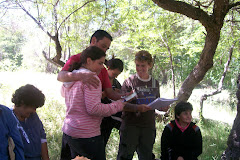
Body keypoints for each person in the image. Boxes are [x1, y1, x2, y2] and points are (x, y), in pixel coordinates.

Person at [61, 46, 150, 160]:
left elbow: (64, 94)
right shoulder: (92, 78)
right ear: (89, 61)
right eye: (100, 63)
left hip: (69, 130)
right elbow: (94, 109)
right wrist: (119, 105)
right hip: (86, 134)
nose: (102, 67)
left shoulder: (71, 76)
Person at [117, 50, 169, 160]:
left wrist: (162, 107)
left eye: (143, 66)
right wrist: (138, 108)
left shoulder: (155, 83)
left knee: (146, 156)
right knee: (125, 156)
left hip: (148, 126)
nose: (140, 68)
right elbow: (122, 104)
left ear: (150, 65)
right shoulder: (129, 82)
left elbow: (156, 102)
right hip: (130, 126)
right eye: (137, 65)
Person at [57, 29, 122, 100]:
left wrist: (127, 96)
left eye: (107, 49)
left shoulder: (102, 69)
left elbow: (110, 93)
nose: (104, 51)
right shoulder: (76, 58)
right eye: (103, 46)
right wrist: (80, 76)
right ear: (94, 41)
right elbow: (60, 76)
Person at [11, 84, 50, 160]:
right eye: (33, 107)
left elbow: (42, 138)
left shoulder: (33, 116)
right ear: (22, 103)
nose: (34, 111)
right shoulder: (8, 117)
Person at [100, 58, 124, 147]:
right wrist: (110, 92)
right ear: (108, 68)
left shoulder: (116, 82)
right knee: (100, 142)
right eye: (114, 74)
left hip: (113, 116)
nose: (115, 77)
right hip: (101, 117)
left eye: (117, 75)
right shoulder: (100, 79)